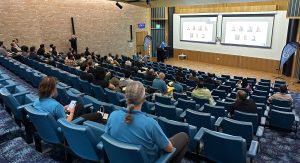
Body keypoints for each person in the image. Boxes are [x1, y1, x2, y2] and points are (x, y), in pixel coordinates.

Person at [105, 81, 189, 163]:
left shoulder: (113, 115)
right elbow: (170, 149)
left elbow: (108, 138)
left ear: (126, 97)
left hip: (120, 159)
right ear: (144, 98)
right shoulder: (150, 123)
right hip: (150, 159)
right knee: (184, 136)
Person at [33, 77, 104, 123]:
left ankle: (79, 120)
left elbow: (51, 111)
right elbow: (67, 123)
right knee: (98, 114)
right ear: (52, 90)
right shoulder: (56, 105)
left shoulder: (36, 101)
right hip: (67, 126)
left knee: (79, 106)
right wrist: (72, 112)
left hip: (53, 122)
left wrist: (63, 109)